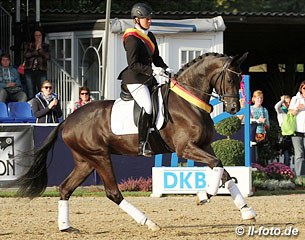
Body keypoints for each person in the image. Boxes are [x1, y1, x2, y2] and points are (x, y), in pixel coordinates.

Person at [117, 2, 174, 157]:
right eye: (146, 18)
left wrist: (165, 68)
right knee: (148, 106)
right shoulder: (132, 39)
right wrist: (152, 70)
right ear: (136, 20)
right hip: (135, 79)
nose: (149, 21)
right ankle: (142, 144)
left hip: (149, 78)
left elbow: (156, 57)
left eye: (149, 18)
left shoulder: (150, 36)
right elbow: (133, 64)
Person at [24, 27, 50, 99]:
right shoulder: (30, 45)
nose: (38, 37)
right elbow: (26, 55)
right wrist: (36, 50)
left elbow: (47, 56)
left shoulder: (45, 46)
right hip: (29, 70)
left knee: (41, 91)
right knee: (30, 91)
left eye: (39, 35)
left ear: (42, 36)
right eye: (36, 35)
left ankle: (41, 107)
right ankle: (31, 108)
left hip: (41, 70)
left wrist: (40, 49)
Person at [288, 81, 305, 181]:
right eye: (304, 88)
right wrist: (297, 109)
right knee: (299, 155)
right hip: (297, 130)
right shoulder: (295, 99)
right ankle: (300, 178)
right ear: (301, 89)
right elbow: (290, 113)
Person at [250, 90, 270, 166]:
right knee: (253, 153)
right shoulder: (250, 109)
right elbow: (247, 120)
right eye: (258, 98)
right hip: (252, 133)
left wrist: (264, 122)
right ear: (254, 98)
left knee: (261, 154)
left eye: (261, 98)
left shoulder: (264, 110)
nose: (260, 100)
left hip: (262, 134)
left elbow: (268, 125)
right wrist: (258, 120)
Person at [274, 95, 292, 167]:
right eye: (286, 102)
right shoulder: (281, 110)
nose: (288, 104)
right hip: (283, 132)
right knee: (282, 151)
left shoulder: (290, 111)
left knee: (288, 153)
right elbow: (276, 107)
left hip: (290, 132)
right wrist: (282, 100)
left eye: (289, 102)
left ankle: (287, 167)